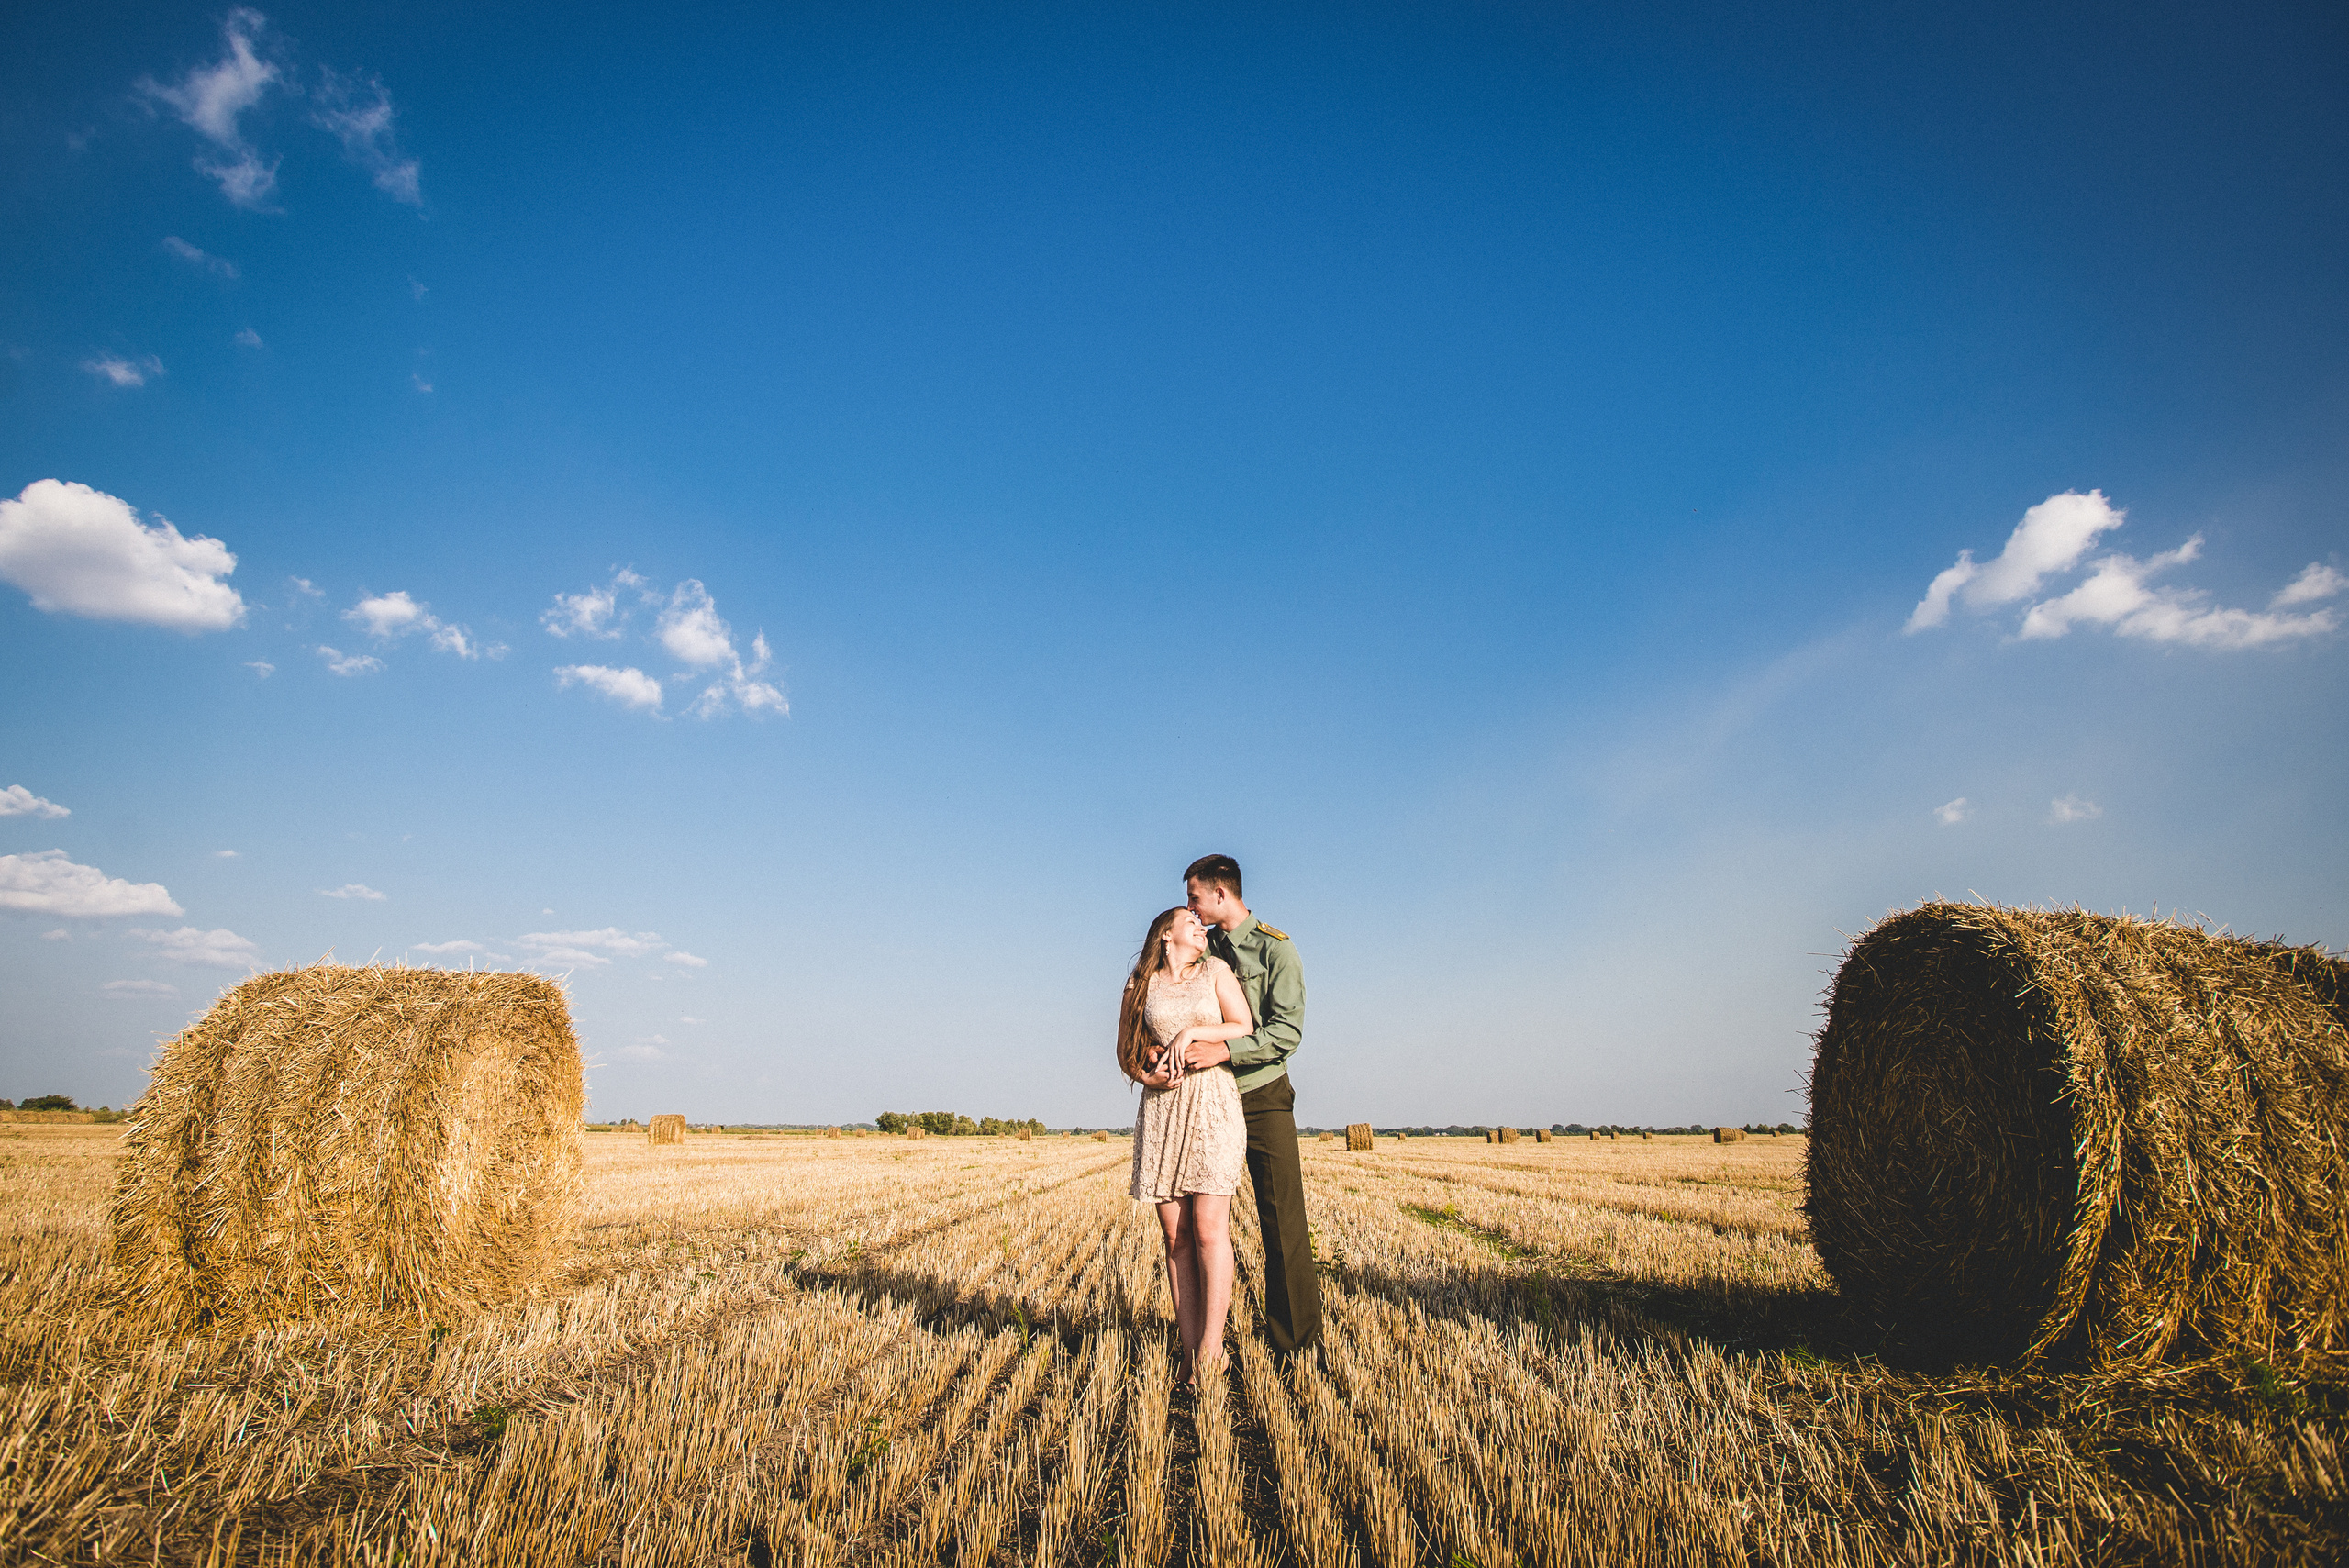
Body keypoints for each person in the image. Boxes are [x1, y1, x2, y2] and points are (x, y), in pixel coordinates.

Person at [1173, 853, 1321, 1355]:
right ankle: (1201, 1342)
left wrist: (1225, 1049)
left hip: (1262, 1097)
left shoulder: (1278, 951)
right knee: (1196, 1229)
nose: (1188, 909)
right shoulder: (1200, 950)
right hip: (1205, 1101)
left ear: (1221, 894)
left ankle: (1296, 1344)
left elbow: (1286, 1032)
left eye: (1194, 898)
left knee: (1283, 1222)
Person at [1120, 905, 1255, 1382]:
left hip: (1213, 1105)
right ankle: (1187, 1348)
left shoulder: (1215, 971)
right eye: (1191, 923)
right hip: (1164, 1110)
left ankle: (1212, 1350)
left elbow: (1243, 1027)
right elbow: (1125, 1049)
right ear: (1165, 935)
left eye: (1202, 923)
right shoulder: (1141, 984)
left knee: (1207, 1229)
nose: (1202, 927)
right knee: (1175, 1237)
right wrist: (1147, 1077)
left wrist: (1192, 1030)